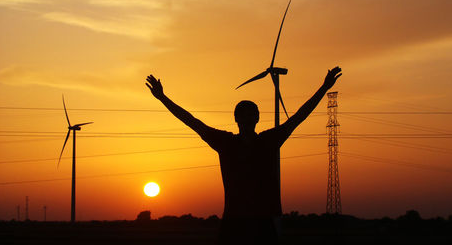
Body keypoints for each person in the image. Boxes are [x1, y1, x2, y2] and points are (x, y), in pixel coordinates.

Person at [145, 66, 342, 244]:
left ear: (257, 118)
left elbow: (299, 116)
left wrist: (324, 88)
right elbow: (191, 121)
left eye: (252, 114)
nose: (248, 118)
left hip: (263, 221)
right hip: (234, 221)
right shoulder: (226, 142)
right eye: (244, 115)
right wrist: (163, 98)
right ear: (236, 118)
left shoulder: (268, 141)